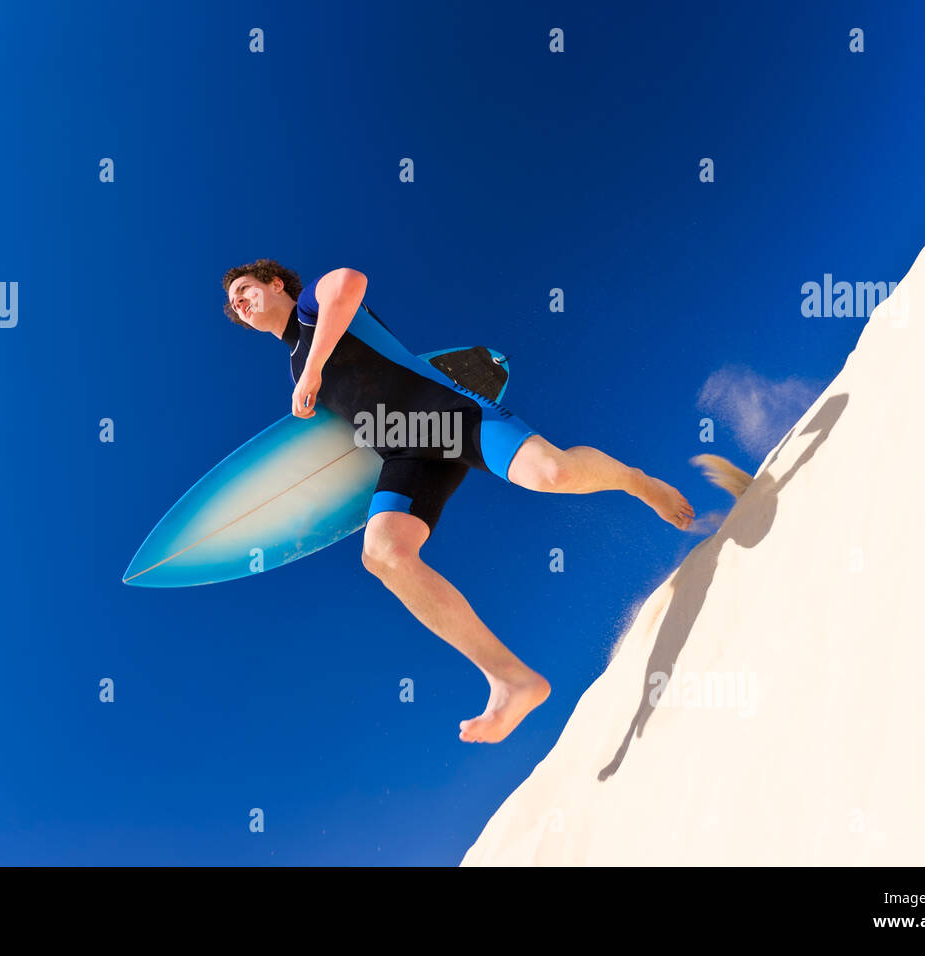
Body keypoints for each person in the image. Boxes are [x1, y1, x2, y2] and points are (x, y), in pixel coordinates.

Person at [222, 259, 694, 743]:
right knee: (383, 555)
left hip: (445, 414)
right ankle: (511, 679)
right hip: (402, 451)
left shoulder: (308, 310)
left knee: (555, 473)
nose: (238, 303)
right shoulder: (296, 366)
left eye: (244, 289)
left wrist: (315, 370)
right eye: (234, 305)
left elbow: (350, 282)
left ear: (274, 283)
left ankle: (635, 480)